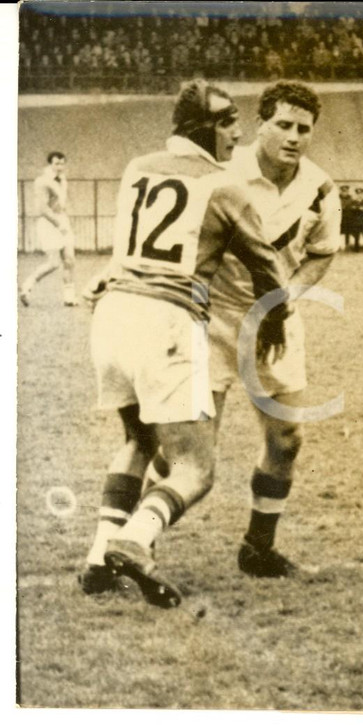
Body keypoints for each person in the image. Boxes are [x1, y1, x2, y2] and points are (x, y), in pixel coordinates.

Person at [79, 80, 291, 607]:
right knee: (196, 467)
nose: (237, 132)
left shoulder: (137, 167)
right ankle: (135, 540)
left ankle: (97, 558)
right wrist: (275, 320)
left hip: (111, 316)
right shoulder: (225, 186)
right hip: (165, 321)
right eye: (227, 121)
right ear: (204, 128)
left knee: (138, 441)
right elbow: (268, 267)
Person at [205, 80, 340, 577]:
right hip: (212, 317)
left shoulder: (321, 189)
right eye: (283, 124)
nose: (294, 136)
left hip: (275, 323)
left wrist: (285, 300)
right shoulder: (221, 172)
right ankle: (131, 539)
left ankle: (258, 548)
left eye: (304, 128)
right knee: (191, 448)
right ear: (260, 123)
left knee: (286, 439)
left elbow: (322, 255)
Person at [20, 151, 78, 307]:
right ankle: (27, 286)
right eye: (56, 164)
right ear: (50, 164)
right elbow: (42, 209)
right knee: (54, 263)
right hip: (48, 223)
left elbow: (61, 204)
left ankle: (69, 298)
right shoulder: (42, 181)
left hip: (62, 220)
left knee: (70, 259)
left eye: (62, 163)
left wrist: (65, 221)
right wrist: (58, 224)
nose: (60, 167)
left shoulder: (63, 180)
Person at [338, 183, 353, 248]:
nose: (344, 193)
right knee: (338, 231)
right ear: (341, 191)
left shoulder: (350, 198)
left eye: (346, 191)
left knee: (348, 232)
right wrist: (340, 210)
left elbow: (351, 207)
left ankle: (347, 245)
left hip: (347, 217)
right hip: (339, 217)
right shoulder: (337, 198)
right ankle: (338, 245)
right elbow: (337, 208)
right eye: (343, 191)